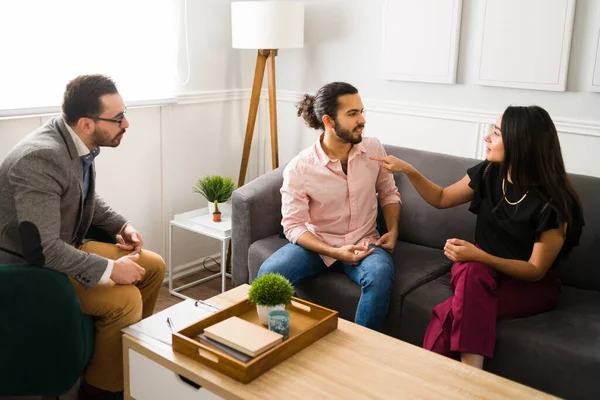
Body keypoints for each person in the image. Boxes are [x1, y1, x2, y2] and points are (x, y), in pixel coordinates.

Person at [371, 105, 583, 368]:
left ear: (520, 142)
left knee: (451, 311)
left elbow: (535, 270)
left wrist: (479, 254)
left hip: (529, 285)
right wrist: (410, 171)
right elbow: (441, 197)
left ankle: (447, 380)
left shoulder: (553, 205)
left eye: (496, 133)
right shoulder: (488, 173)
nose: (487, 138)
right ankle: (472, 377)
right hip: (478, 270)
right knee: (472, 272)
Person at [0, 74, 166, 399]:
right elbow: (43, 250)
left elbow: (82, 196)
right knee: (125, 299)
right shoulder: (40, 158)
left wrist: (122, 225)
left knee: (154, 266)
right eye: (118, 119)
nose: (127, 123)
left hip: (65, 244)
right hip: (31, 268)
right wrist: (111, 270)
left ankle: (124, 359)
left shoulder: (74, 139)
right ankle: (100, 390)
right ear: (87, 124)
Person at [256, 82, 401, 330]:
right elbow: (292, 225)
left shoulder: (373, 148)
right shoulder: (301, 167)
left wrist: (393, 230)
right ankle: (276, 340)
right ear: (329, 121)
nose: (362, 120)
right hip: (319, 244)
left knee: (379, 275)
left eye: (362, 111)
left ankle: (360, 352)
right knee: (268, 274)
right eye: (353, 114)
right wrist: (334, 252)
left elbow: (388, 193)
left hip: (366, 243)